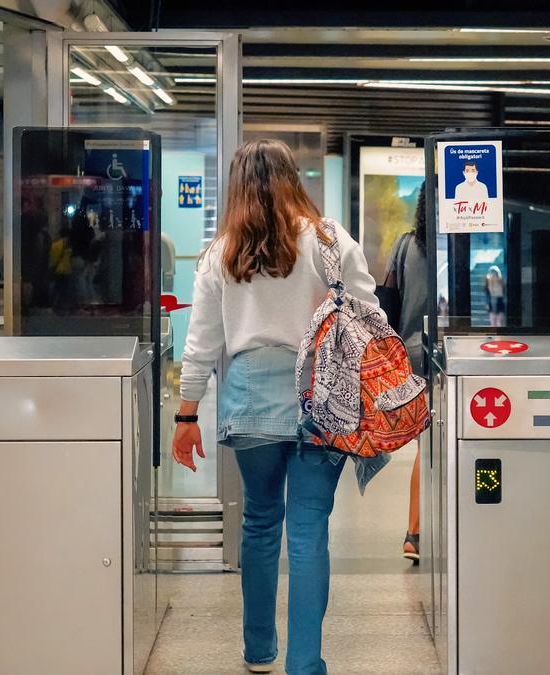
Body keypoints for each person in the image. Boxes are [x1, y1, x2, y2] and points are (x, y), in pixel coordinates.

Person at [174, 139, 380, 675]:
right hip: (323, 394)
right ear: (294, 177)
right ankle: (304, 664)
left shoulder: (222, 252)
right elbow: (371, 316)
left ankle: (258, 651)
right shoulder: (331, 240)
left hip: (248, 397)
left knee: (261, 522)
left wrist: (186, 414)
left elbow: (201, 342)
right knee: (309, 528)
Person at [384, 190, 430, 563]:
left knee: (425, 446)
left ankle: (413, 533)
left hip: (412, 351)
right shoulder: (460, 243)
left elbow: (388, 297)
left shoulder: (405, 245)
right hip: (458, 352)